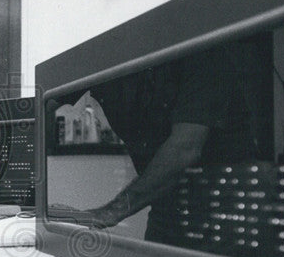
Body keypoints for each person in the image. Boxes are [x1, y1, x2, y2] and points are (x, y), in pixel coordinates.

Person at [84, 43, 258, 245]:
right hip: (166, 204)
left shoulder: (201, 50)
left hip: (227, 207)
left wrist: (111, 212)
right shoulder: (102, 53)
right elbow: (43, 103)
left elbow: (185, 148)